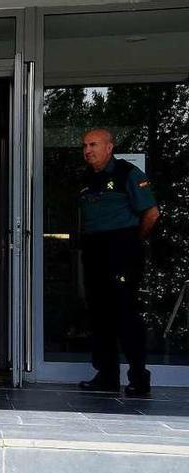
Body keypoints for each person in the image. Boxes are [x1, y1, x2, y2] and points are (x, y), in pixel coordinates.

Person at [77, 128, 159, 397]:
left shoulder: (127, 173)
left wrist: (133, 243)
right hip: (94, 251)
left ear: (109, 147)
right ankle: (106, 375)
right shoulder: (86, 179)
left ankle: (138, 377)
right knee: (99, 314)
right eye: (85, 145)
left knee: (125, 314)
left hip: (122, 250)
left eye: (94, 144)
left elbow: (151, 213)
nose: (88, 150)